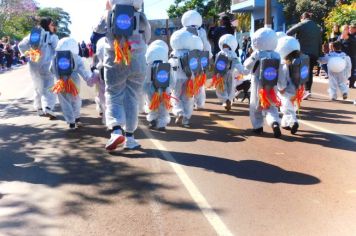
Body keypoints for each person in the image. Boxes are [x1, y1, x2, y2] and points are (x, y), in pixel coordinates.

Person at [93, 0, 151, 151]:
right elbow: (148, 36)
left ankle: (116, 130)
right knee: (132, 97)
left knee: (113, 94)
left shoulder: (109, 14)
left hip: (115, 59)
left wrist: (107, 10)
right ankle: (130, 138)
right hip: (137, 60)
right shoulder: (141, 16)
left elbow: (97, 30)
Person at [244, 27, 282, 138]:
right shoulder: (277, 55)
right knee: (271, 106)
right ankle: (274, 122)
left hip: (258, 84)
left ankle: (258, 127)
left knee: (256, 106)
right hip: (271, 84)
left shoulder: (257, 54)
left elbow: (247, 65)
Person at [50, 37, 95, 129]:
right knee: (76, 100)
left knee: (64, 102)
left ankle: (71, 122)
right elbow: (83, 71)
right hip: (73, 82)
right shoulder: (76, 57)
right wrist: (89, 79)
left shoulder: (55, 57)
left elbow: (51, 70)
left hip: (60, 83)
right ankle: (77, 118)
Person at [18, 17, 59, 119]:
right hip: (46, 64)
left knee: (37, 86)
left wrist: (25, 54)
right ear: (48, 24)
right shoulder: (52, 36)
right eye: (51, 23)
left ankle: (39, 108)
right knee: (48, 86)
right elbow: (57, 50)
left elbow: (21, 45)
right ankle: (48, 107)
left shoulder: (33, 34)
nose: (52, 25)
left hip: (33, 64)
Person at [169, 30, 203, 128]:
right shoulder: (191, 53)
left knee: (176, 96)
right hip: (189, 77)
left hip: (176, 77)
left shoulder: (174, 53)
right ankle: (186, 119)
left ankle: (179, 112)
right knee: (188, 97)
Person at [180, 10, 212, 110]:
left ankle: (188, 102)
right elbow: (206, 45)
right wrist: (209, 56)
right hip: (198, 57)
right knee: (199, 81)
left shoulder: (182, 31)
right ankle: (199, 102)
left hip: (185, 59)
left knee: (186, 80)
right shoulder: (201, 31)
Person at [286, 12, 322, 100]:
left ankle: (302, 90)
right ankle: (307, 90)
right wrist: (319, 54)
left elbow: (288, 32)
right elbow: (320, 41)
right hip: (314, 53)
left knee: (302, 71)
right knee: (309, 72)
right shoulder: (317, 27)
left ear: (302, 18)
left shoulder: (301, 24)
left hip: (303, 52)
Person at [276, 36, 307, 134]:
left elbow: (282, 79)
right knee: (290, 107)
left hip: (287, 91)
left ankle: (294, 122)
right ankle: (285, 124)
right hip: (298, 90)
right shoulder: (301, 62)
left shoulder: (285, 65)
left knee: (287, 109)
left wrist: (281, 88)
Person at [211, 34, 247, 111]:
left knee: (220, 89)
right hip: (230, 74)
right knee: (230, 89)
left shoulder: (220, 53)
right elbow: (238, 65)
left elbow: (216, 64)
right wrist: (244, 71)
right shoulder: (233, 54)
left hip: (220, 74)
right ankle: (229, 101)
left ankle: (225, 100)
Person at [144, 40, 172, 131]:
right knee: (163, 105)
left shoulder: (148, 65)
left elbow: (145, 80)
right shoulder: (167, 65)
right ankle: (162, 123)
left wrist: (144, 90)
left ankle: (153, 120)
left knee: (151, 104)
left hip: (151, 89)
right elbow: (172, 79)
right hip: (164, 90)